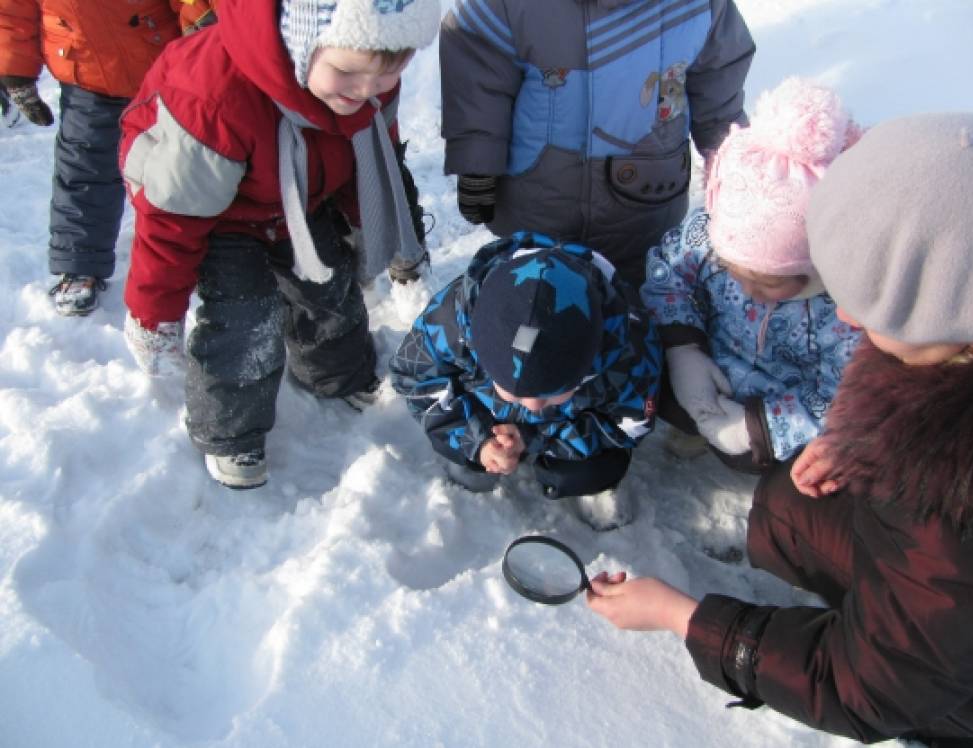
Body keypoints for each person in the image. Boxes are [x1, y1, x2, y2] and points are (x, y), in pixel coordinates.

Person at [586, 112, 973, 746]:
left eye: (872, 301)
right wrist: (686, 348)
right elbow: (675, 271)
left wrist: (681, 616)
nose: (849, 314)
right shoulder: (950, 348)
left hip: (964, 680)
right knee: (790, 500)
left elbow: (860, 687)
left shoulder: (967, 506)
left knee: (925, 692)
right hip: (936, 586)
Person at [119, 0, 439, 489]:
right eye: (349, 73)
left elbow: (375, 166)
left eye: (387, 77)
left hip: (303, 195)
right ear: (301, 41)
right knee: (244, 318)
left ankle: (338, 374)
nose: (366, 92)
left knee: (329, 286)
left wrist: (381, 240)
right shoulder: (213, 95)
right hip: (217, 214)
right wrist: (153, 313)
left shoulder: (365, 88)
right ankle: (231, 431)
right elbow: (172, 219)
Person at [439, 0, 755, 289]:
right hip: (541, 207)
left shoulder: (698, 6)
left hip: (648, 202)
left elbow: (720, 92)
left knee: (642, 310)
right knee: (535, 313)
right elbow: (478, 73)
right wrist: (476, 161)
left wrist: (737, 173)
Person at [641, 78, 862, 473]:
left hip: (773, 403)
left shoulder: (847, 310)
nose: (745, 287)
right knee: (652, 377)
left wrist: (759, 427)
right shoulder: (713, 234)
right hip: (709, 368)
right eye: (732, 269)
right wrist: (682, 348)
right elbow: (669, 273)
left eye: (768, 283)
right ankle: (695, 418)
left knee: (749, 454)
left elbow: (844, 397)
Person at [389, 233, 661, 529]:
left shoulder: (630, 350)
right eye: (510, 391)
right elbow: (416, 379)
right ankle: (477, 456)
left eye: (556, 391)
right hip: (486, 414)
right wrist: (477, 440)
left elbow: (629, 426)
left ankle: (581, 482)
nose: (533, 407)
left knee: (592, 470)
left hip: (572, 425)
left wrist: (538, 437)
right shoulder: (449, 323)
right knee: (453, 438)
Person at [0, 0, 215, 316]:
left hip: (162, 62)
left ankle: (203, 255)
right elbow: (12, 8)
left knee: (183, 167)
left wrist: (205, 24)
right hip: (86, 68)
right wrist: (14, 68)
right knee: (84, 170)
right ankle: (79, 262)